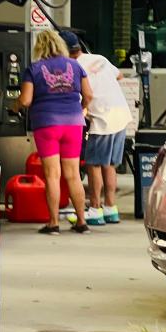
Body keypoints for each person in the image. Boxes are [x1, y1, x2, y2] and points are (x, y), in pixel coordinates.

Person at [16, 30, 93, 235]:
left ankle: (53, 223)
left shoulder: (34, 69)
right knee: (73, 174)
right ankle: (81, 222)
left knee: (52, 175)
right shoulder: (75, 66)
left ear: (39, 47)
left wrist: (14, 107)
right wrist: (80, 108)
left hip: (46, 124)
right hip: (74, 124)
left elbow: (25, 100)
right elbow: (88, 95)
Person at [61, 31, 131, 226]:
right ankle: (110, 208)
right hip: (121, 115)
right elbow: (120, 75)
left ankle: (94, 209)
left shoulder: (72, 67)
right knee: (109, 164)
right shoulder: (99, 58)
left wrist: (82, 108)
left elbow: (86, 95)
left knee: (93, 165)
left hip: (103, 118)